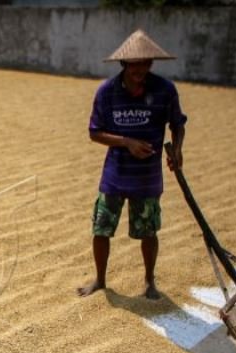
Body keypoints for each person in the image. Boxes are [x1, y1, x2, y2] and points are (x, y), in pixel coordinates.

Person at [77, 29, 187, 300]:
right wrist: (126, 142)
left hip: (148, 177)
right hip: (115, 174)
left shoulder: (164, 90)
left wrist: (178, 148)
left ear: (151, 64)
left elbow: (177, 124)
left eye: (145, 63)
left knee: (149, 231)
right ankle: (100, 279)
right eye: (134, 64)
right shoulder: (106, 92)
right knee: (101, 228)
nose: (140, 69)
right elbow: (94, 132)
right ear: (123, 64)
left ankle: (149, 281)